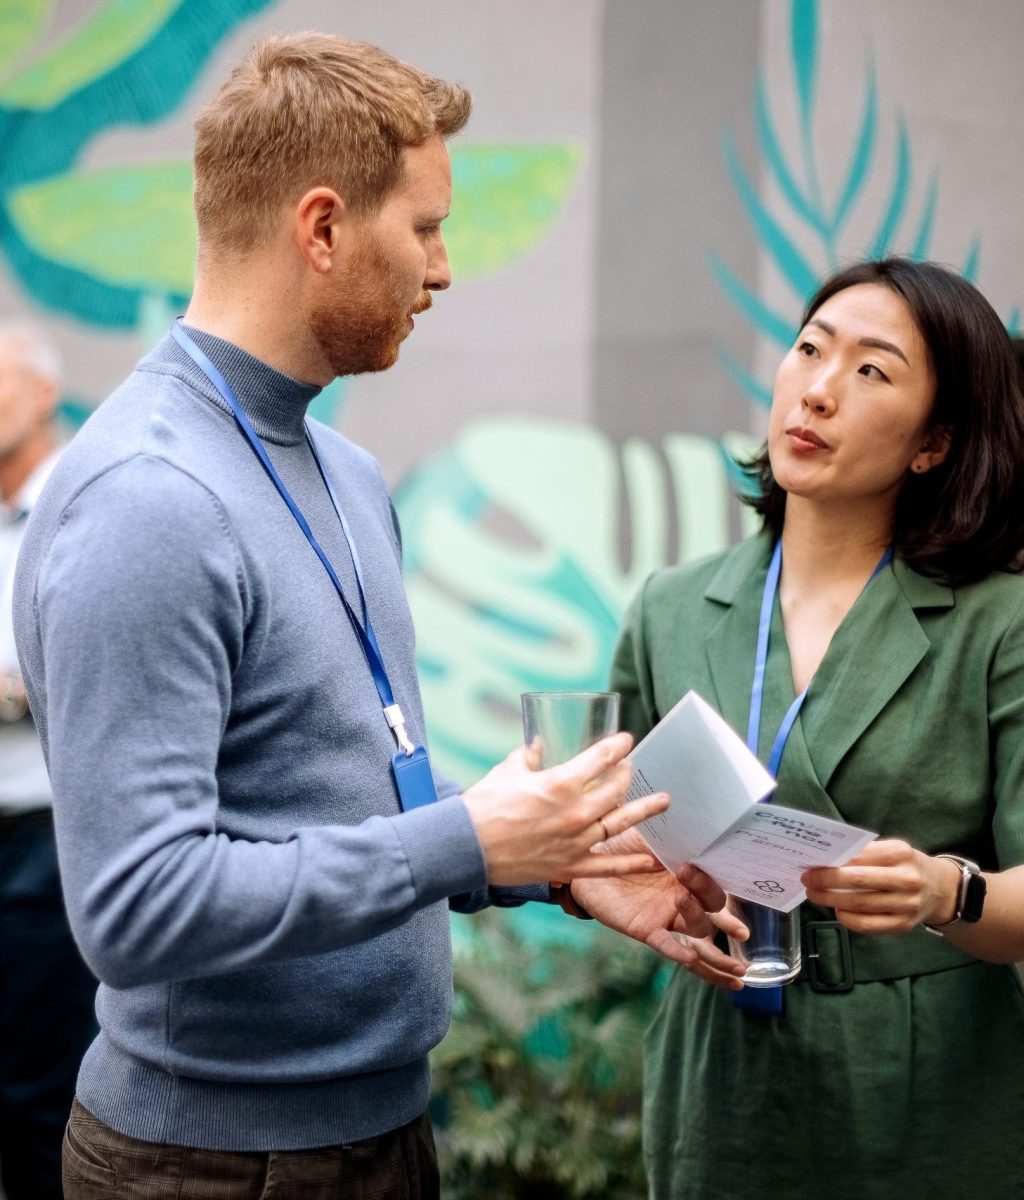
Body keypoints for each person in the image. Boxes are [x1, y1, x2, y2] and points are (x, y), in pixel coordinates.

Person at [12, 33, 730, 1199]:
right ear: (324, 227)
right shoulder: (147, 500)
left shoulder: (340, 470)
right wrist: (468, 842)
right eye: (427, 227)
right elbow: (137, 908)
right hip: (207, 1167)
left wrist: (543, 863)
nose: (443, 270)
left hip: (381, 1134)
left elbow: (330, 797)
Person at [610, 257, 1024, 1198]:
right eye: (809, 350)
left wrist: (943, 893)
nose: (820, 390)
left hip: (925, 1086)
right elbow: (620, 843)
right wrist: (653, 882)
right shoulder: (669, 608)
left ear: (934, 443)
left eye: (873, 370)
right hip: (720, 1078)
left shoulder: (1001, 620)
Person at [0, 321, 96, 1200]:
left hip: (48, 843)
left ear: (39, 393)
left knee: (42, 1097)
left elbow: (94, 667)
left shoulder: (85, 503)